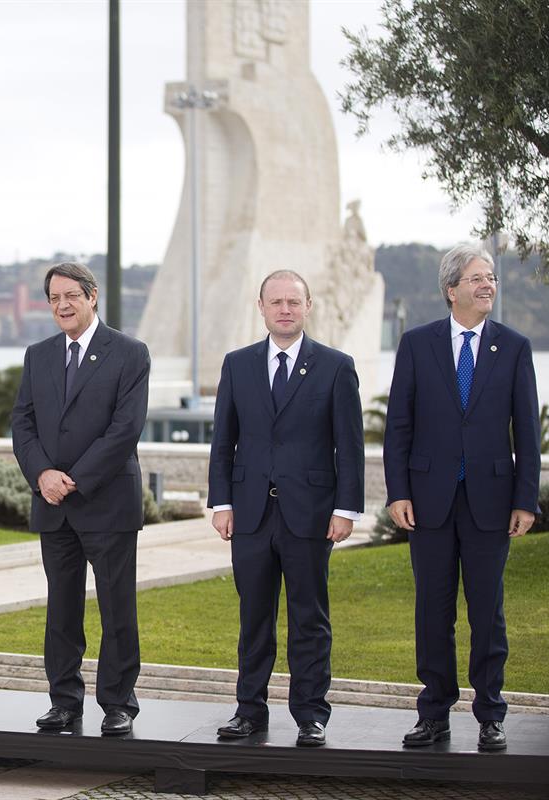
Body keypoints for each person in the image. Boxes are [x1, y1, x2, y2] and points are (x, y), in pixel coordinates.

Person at [384, 243, 539, 752]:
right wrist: (398, 492)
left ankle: (491, 713)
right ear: (451, 289)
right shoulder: (416, 344)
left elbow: (529, 432)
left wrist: (526, 499)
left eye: (491, 277)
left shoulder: (514, 347)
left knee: (487, 612)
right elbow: (399, 426)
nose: (487, 285)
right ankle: (434, 714)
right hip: (427, 502)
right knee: (432, 611)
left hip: (492, 502)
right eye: (477, 278)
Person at [207, 270, 364, 748]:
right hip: (250, 513)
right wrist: (222, 502)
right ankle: (249, 710)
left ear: (308, 306)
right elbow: (224, 440)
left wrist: (346, 510)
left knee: (309, 618)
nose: (284, 310)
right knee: (253, 617)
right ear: (261, 308)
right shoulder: (237, 364)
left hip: (311, 515)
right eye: (275, 302)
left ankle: (311, 714)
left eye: (293, 302)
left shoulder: (336, 367)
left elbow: (350, 447)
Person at [11, 262, 149, 736]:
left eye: (71, 295)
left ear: (93, 297)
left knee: (117, 609)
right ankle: (64, 701)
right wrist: (43, 475)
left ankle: (118, 702)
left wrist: (73, 478)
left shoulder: (130, 353)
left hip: (106, 503)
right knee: (60, 610)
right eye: (53, 298)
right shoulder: (38, 355)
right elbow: (23, 425)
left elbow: (125, 429)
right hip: (52, 505)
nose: (62, 306)